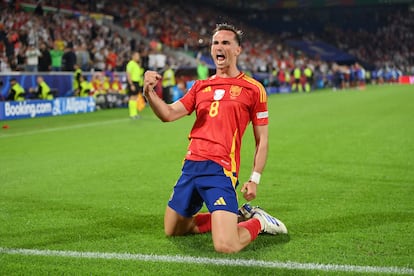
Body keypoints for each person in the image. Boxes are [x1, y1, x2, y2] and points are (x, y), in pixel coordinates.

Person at [143, 23, 287, 254]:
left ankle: (260, 221)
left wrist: (255, 178)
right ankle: (234, 216)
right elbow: (168, 114)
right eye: (215, 43)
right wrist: (149, 93)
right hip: (191, 166)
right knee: (173, 229)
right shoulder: (200, 86)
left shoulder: (253, 89)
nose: (219, 47)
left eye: (226, 43)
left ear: (238, 50)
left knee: (226, 245)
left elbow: (263, 140)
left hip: (220, 170)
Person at [126, 51, 144, 119]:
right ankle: (132, 114)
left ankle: (135, 113)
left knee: (136, 97)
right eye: (137, 56)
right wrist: (131, 84)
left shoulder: (136, 64)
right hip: (133, 82)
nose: (138, 57)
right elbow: (128, 74)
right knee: (132, 97)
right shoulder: (130, 63)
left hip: (137, 82)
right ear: (133, 56)